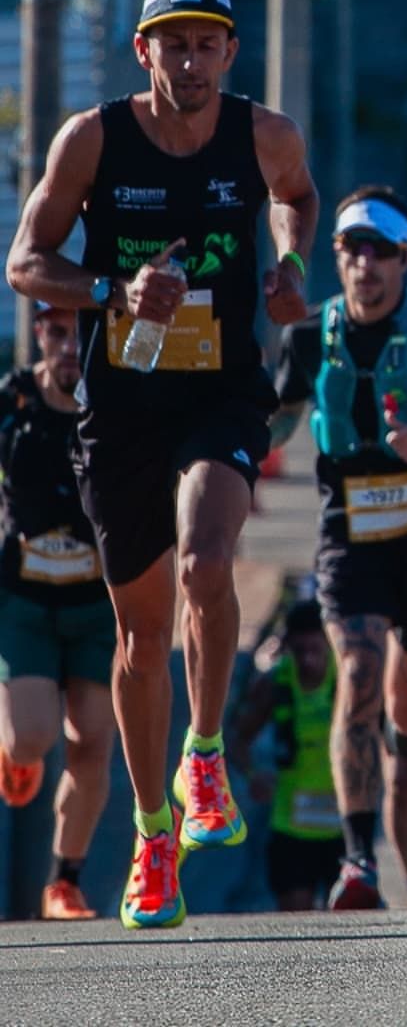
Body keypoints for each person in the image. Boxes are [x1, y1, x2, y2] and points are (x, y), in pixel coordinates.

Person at [5, 0, 317, 930]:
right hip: (124, 407)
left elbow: (296, 197)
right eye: (171, 44)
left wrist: (292, 267)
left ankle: (207, 757)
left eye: (206, 43)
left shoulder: (261, 134)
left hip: (221, 388)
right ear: (144, 54)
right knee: (140, 640)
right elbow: (25, 261)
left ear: (230, 51)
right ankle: (151, 840)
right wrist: (110, 291)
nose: (189, 60)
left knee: (208, 559)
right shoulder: (93, 139)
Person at [270, 186, 407, 911]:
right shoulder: (310, 337)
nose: (363, 264)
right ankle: (359, 860)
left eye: (378, 251)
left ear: (406, 259)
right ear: (335, 257)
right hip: (350, 534)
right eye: (349, 249)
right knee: (360, 672)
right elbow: (269, 426)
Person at [0, 305, 116, 921]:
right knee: (33, 738)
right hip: (27, 599)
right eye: (55, 330)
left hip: (97, 604)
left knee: (91, 739)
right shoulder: (13, 403)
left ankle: (62, 881)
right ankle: (12, 744)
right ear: (38, 332)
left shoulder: (116, 405)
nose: (70, 345)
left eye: (80, 331)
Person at [228, 598, 343, 911]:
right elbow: (238, 741)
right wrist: (253, 776)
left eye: (315, 650)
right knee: (297, 918)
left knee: (350, 917)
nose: (307, 660)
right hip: (290, 827)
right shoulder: (275, 682)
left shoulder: (347, 680)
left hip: (343, 826)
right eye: (300, 651)